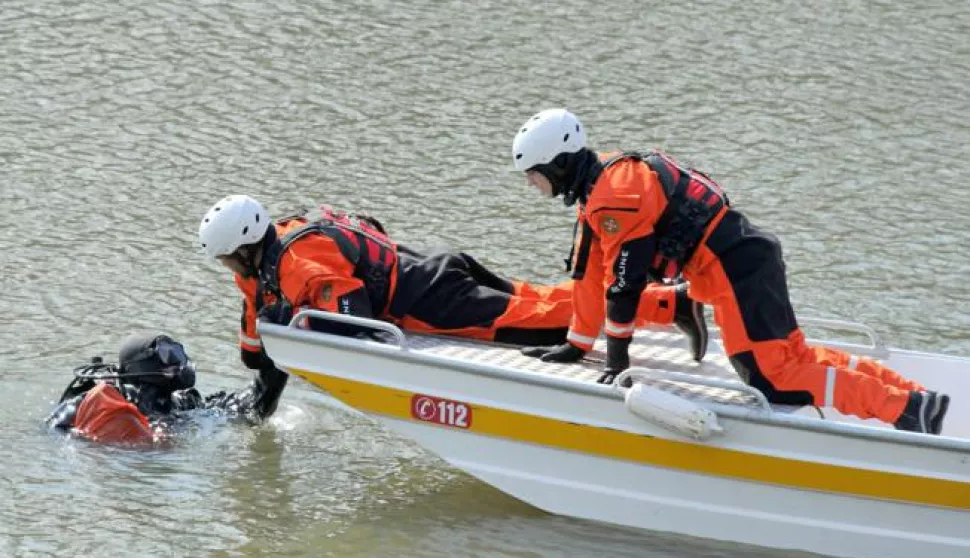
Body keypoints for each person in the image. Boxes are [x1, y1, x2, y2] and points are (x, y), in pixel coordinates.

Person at [509, 108, 950, 435]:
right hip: (745, 262)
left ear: (558, 164)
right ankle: (916, 400)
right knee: (792, 359)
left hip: (736, 272)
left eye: (533, 175)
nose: (532, 185)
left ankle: (904, 410)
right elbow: (591, 277)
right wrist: (576, 344)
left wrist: (619, 363)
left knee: (771, 378)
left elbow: (624, 286)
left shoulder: (614, 196)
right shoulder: (601, 186)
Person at [196, 196, 709, 376]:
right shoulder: (278, 244)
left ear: (242, 248)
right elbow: (253, 349)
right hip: (431, 267)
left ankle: (668, 304)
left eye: (225, 258)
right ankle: (666, 301)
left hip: (430, 298)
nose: (226, 268)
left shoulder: (296, 268)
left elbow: (354, 321)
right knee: (543, 298)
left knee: (540, 321)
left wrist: (286, 324)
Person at [47, 332, 287, 445]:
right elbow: (53, 431)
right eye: (166, 354)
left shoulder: (182, 403)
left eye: (178, 352)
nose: (178, 361)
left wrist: (279, 360)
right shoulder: (108, 398)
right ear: (142, 364)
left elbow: (251, 408)